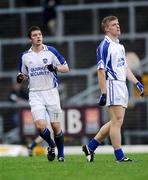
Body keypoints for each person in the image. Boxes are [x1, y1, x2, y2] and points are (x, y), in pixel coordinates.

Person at [82, 15, 144, 162]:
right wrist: (103, 92)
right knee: (117, 121)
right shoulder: (104, 46)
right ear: (107, 28)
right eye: (114, 24)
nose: (118, 26)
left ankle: (90, 147)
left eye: (118, 23)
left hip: (121, 85)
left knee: (115, 121)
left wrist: (136, 82)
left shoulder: (119, 46)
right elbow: (101, 70)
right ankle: (119, 156)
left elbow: (124, 67)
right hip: (112, 84)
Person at [17, 26, 69, 162]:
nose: (38, 37)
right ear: (30, 38)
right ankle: (51, 145)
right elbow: (23, 74)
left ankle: (61, 155)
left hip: (51, 92)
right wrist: (20, 78)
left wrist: (55, 67)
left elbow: (66, 67)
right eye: (35, 35)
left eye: (40, 34)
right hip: (35, 94)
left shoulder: (51, 51)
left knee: (56, 126)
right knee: (40, 126)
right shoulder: (25, 56)